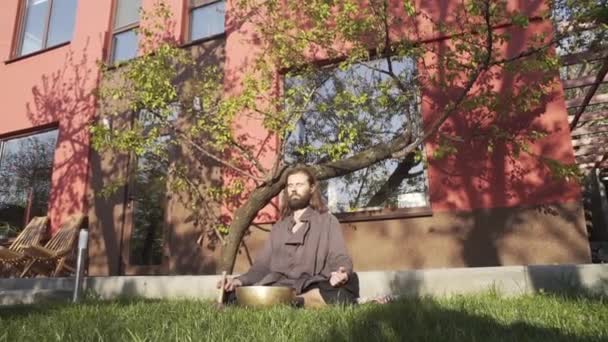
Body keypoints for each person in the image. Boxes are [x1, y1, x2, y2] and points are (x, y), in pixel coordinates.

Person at [217, 166, 359, 308]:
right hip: (278, 286)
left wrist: (342, 272)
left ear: (312, 188)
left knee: (347, 287)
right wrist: (238, 281)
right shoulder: (279, 227)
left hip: (310, 285)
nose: (294, 189)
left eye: (299, 184)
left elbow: (339, 256)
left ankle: (291, 301)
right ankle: (291, 301)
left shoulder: (327, 221)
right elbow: (261, 267)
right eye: (290, 185)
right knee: (230, 295)